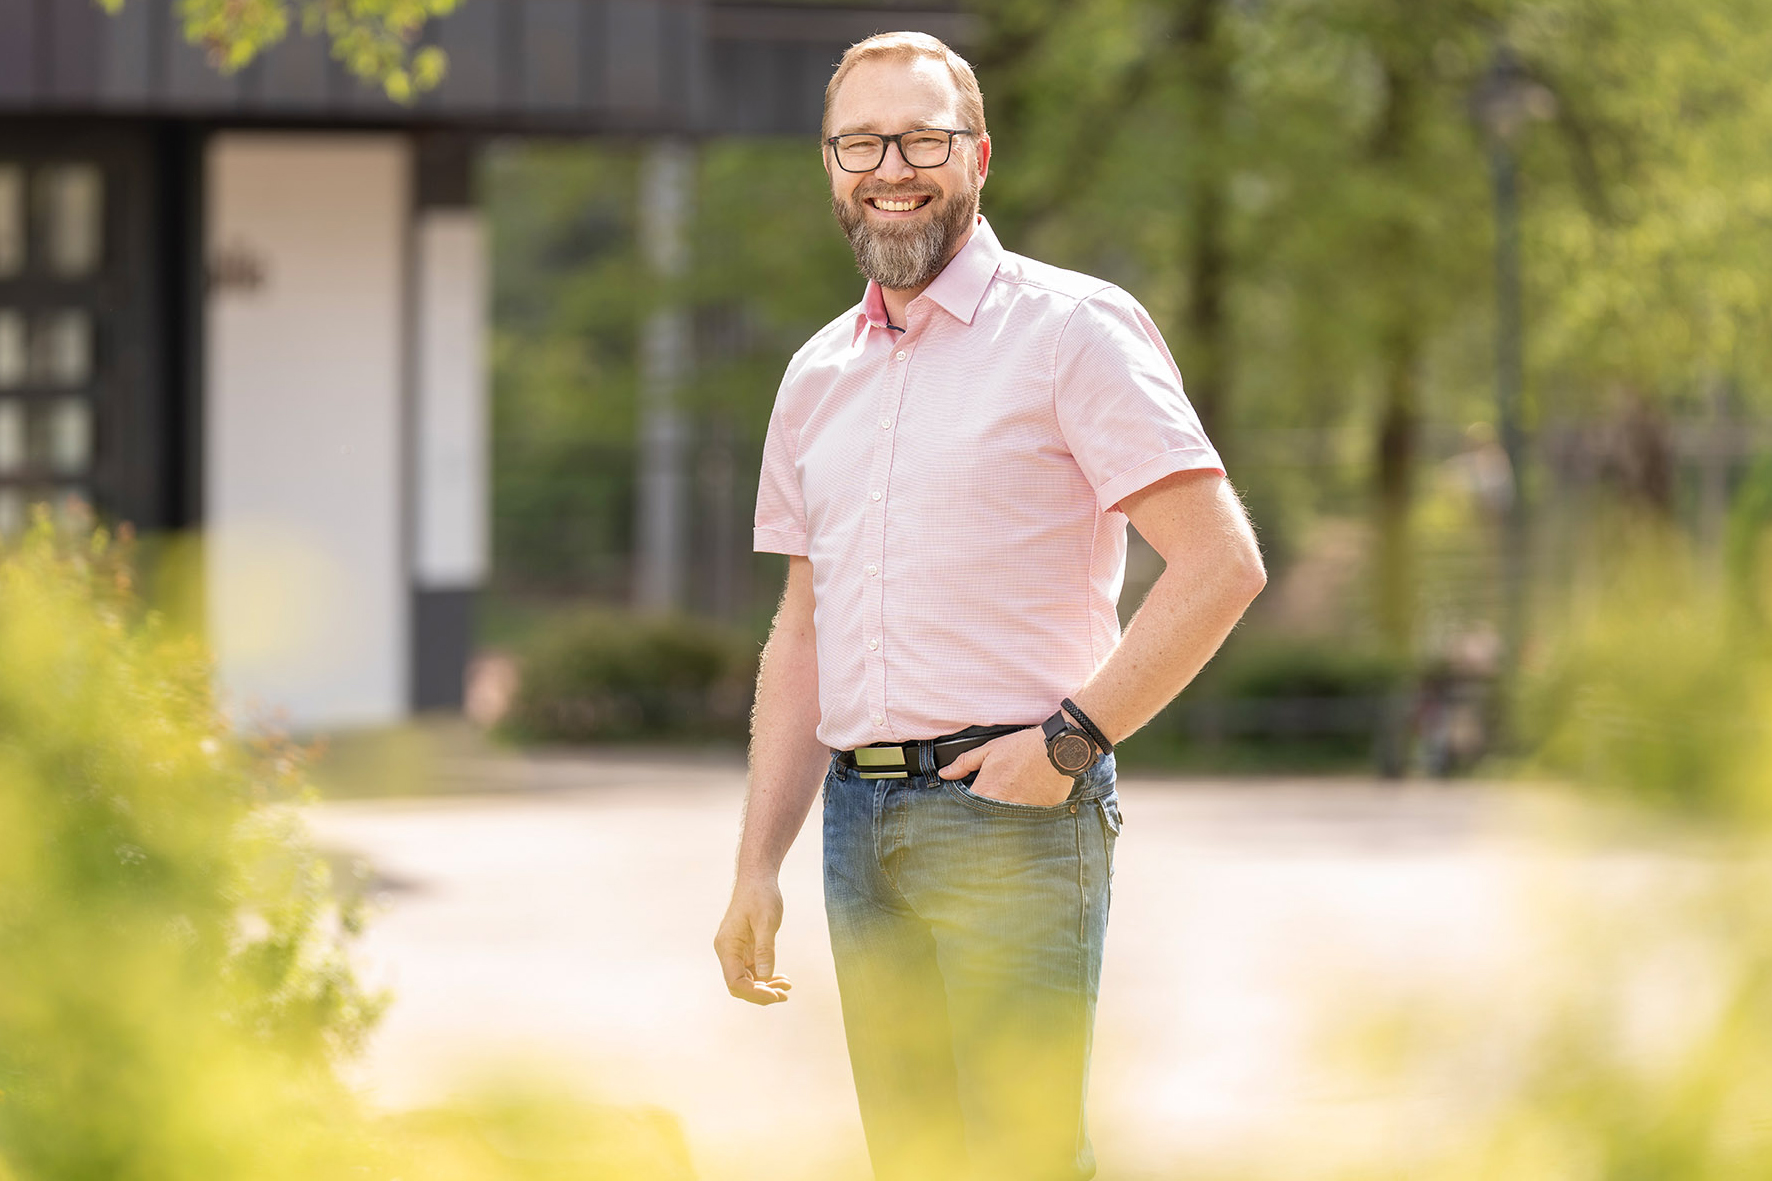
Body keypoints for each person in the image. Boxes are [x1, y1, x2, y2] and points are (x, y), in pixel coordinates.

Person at [712, 30, 1267, 1181]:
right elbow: (800, 631)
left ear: (977, 155)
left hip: (1014, 816)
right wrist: (756, 859)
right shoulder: (814, 375)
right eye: (859, 141)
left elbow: (1218, 562)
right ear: (828, 163)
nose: (890, 165)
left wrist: (1070, 741)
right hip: (856, 831)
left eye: (922, 136)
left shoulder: (1071, 330)